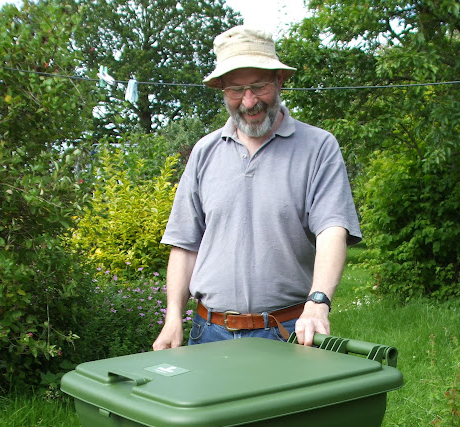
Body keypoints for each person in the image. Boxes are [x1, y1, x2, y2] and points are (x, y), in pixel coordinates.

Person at [152, 26, 361, 351]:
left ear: (278, 81)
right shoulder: (204, 152)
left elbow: (332, 228)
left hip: (287, 331)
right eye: (236, 90)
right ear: (222, 89)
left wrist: (318, 301)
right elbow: (184, 244)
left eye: (259, 87)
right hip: (208, 333)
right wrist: (173, 318)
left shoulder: (318, 147)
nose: (249, 102)